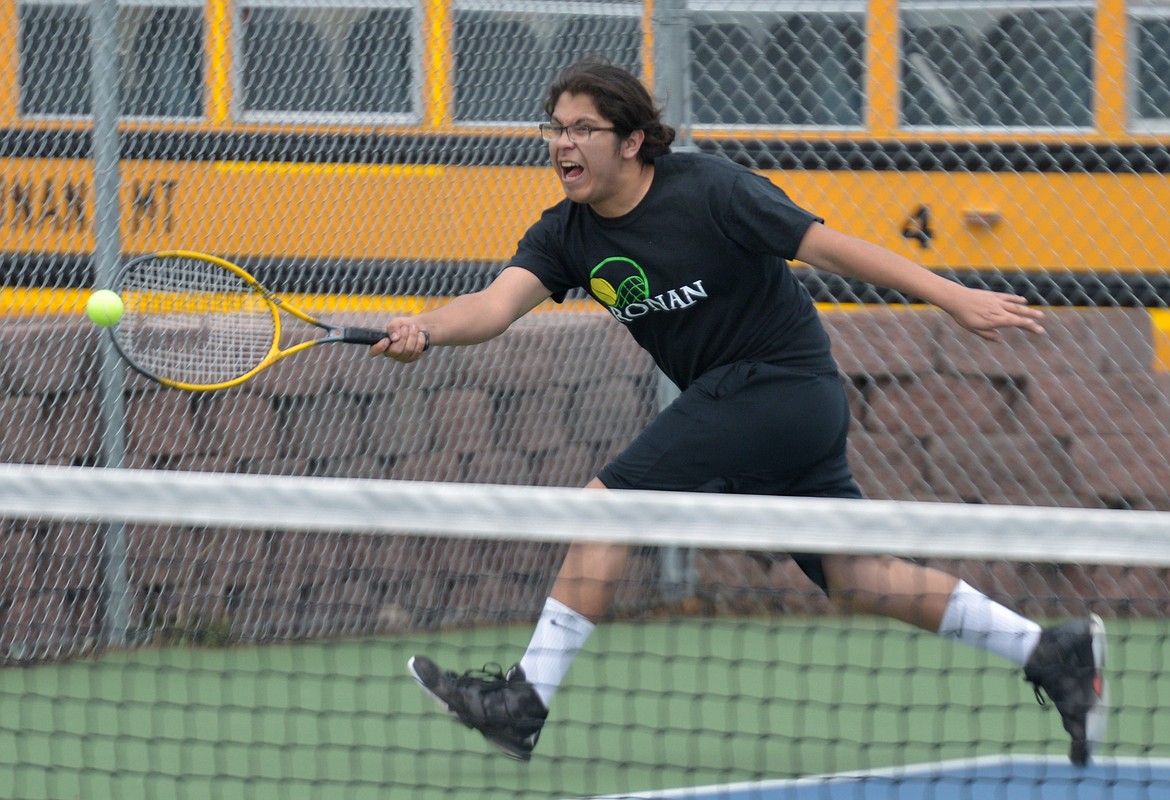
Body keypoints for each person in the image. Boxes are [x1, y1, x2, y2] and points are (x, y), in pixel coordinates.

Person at [372, 59, 1107, 767]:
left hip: (782, 384)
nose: (562, 143)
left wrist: (953, 296)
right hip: (755, 408)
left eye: (582, 128)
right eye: (554, 128)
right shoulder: (566, 232)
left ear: (630, 141)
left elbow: (833, 249)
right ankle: (1051, 652)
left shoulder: (713, 190)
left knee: (609, 508)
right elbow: (497, 304)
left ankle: (523, 702)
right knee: (853, 576)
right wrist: (426, 329)